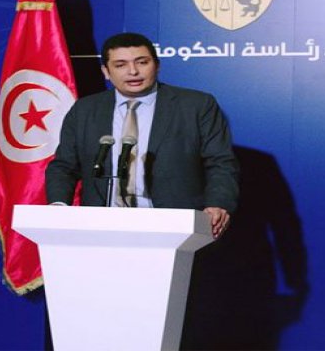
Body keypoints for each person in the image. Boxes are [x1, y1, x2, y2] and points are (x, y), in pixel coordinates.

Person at [45, 32, 238, 237]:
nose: (133, 71)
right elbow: (64, 166)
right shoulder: (85, 109)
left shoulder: (195, 105)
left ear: (157, 65)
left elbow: (220, 162)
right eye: (120, 65)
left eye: (142, 62)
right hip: (101, 225)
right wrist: (58, 205)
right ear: (106, 72)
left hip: (173, 225)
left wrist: (218, 203)